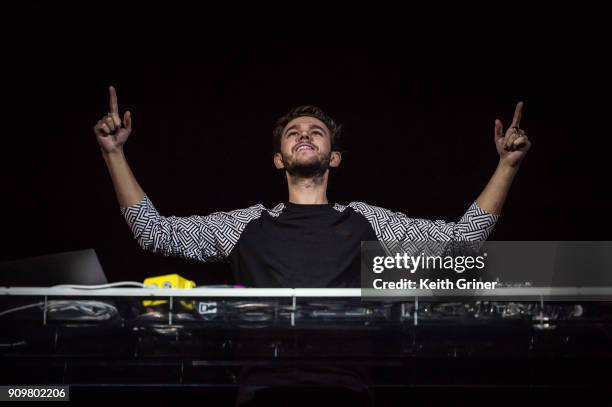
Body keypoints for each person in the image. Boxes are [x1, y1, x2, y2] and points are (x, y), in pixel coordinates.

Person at [94, 86, 530, 288]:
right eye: (294, 132)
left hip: (348, 382)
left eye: (317, 131)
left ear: (334, 157)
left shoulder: (369, 221)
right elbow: (153, 232)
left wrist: (507, 165)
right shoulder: (246, 225)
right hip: (262, 385)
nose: (305, 135)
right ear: (279, 160)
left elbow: (462, 242)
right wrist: (114, 153)